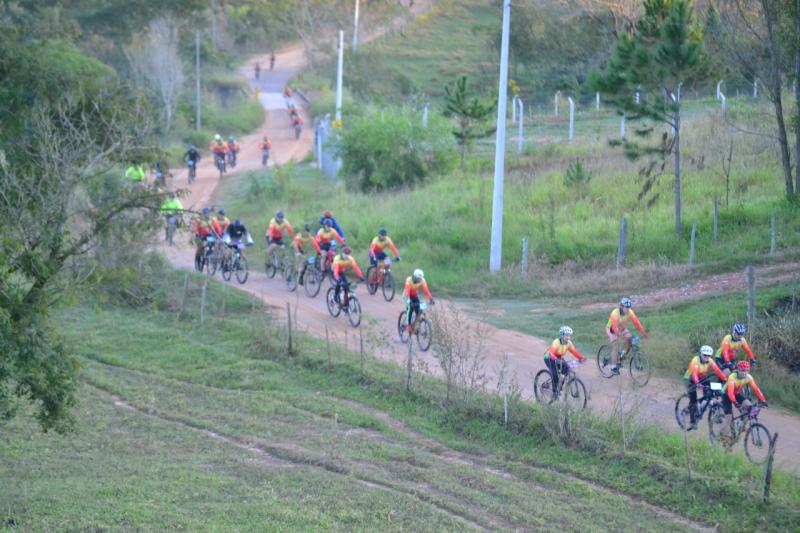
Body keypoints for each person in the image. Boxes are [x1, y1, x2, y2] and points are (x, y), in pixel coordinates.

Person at [721, 360, 767, 446]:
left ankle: (741, 425)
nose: (744, 373)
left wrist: (763, 400)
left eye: (746, 371)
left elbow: (756, 389)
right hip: (726, 395)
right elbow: (730, 392)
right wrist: (734, 402)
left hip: (737, 394)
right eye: (742, 370)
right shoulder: (732, 377)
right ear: (738, 369)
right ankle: (725, 440)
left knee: (749, 406)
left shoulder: (748, 377)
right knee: (729, 419)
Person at [682, 345, 727, 430]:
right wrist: (697, 383)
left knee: (710, 391)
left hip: (701, 379)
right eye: (704, 355)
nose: (706, 357)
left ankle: (713, 412)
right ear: (701, 354)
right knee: (693, 401)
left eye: (708, 355)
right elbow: (694, 374)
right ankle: (692, 422)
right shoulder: (695, 360)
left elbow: (717, 371)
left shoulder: (710, 361)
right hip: (690, 379)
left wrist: (725, 379)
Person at [605, 297, 648, 375]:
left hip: (621, 328)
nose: (628, 309)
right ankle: (613, 367)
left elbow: (637, 323)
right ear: (621, 306)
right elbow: (614, 327)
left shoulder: (630, 312)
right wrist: (620, 335)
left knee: (630, 340)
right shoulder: (615, 313)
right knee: (615, 346)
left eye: (629, 308)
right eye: (626, 308)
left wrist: (644, 333)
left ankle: (621, 356)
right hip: (611, 329)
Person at [544, 326, 585, 398]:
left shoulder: (569, 343)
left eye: (569, 335)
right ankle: (554, 393)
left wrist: (581, 358)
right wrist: (555, 359)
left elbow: (574, 352)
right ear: (562, 335)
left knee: (566, 370)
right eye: (566, 335)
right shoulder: (556, 342)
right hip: (549, 357)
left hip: (558, 358)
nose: (568, 337)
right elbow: (551, 353)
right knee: (555, 375)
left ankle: (559, 387)